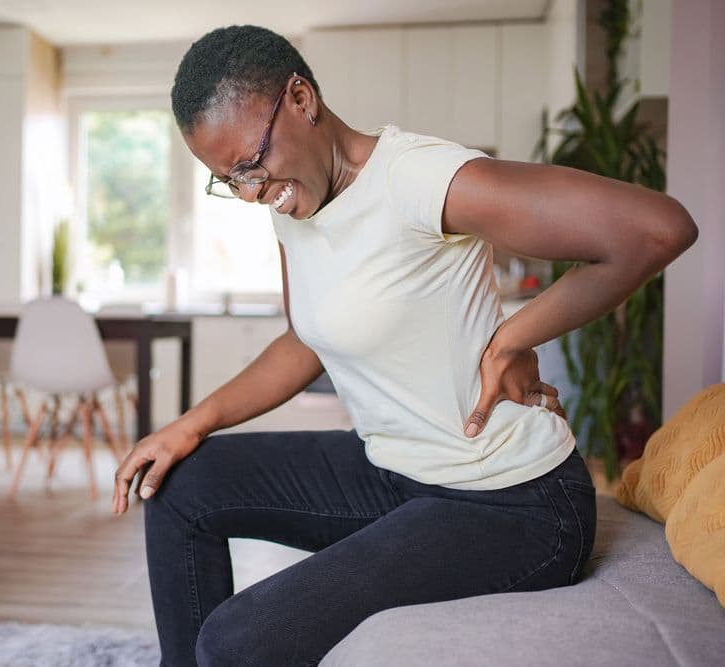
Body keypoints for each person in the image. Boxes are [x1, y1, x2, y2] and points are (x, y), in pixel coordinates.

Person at [111, 24, 698, 667]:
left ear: (301, 99)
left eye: (251, 165)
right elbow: (305, 343)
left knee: (234, 641)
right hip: (398, 471)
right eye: (227, 180)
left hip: (514, 503)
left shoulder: (416, 177)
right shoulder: (292, 209)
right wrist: (188, 427)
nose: (251, 192)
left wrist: (512, 338)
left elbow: (655, 230)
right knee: (175, 486)